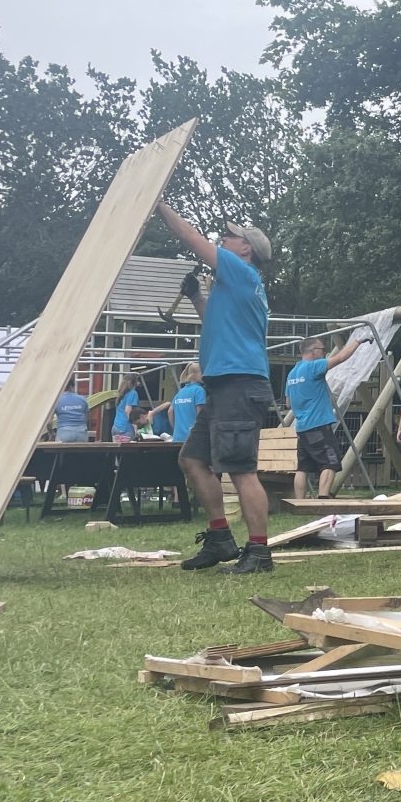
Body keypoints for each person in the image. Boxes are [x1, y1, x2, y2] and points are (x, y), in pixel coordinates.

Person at [155, 202, 278, 575]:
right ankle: (221, 537)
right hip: (225, 385)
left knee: (240, 469)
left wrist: (159, 206)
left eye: (231, 236)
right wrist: (195, 297)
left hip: (240, 383)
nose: (224, 238)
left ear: (246, 249)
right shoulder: (234, 285)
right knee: (192, 459)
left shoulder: (240, 271)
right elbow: (215, 322)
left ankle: (259, 553)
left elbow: (191, 237)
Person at [287, 333, 367, 499]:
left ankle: (299, 504)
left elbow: (289, 404)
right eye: (323, 350)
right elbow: (340, 358)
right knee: (330, 462)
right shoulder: (313, 367)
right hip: (318, 425)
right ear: (313, 351)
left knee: (303, 467)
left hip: (302, 428)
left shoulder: (292, 374)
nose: (324, 353)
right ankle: (323, 500)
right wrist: (358, 341)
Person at [165, 364, 205, 444]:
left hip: (178, 437)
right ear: (194, 376)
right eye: (202, 373)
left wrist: (176, 428)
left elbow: (170, 411)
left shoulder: (180, 392)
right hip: (193, 438)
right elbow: (201, 415)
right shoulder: (199, 390)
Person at [111, 374, 144, 444]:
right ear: (135, 382)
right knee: (128, 452)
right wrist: (135, 427)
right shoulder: (133, 393)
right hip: (126, 428)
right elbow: (128, 410)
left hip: (116, 426)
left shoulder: (122, 394)